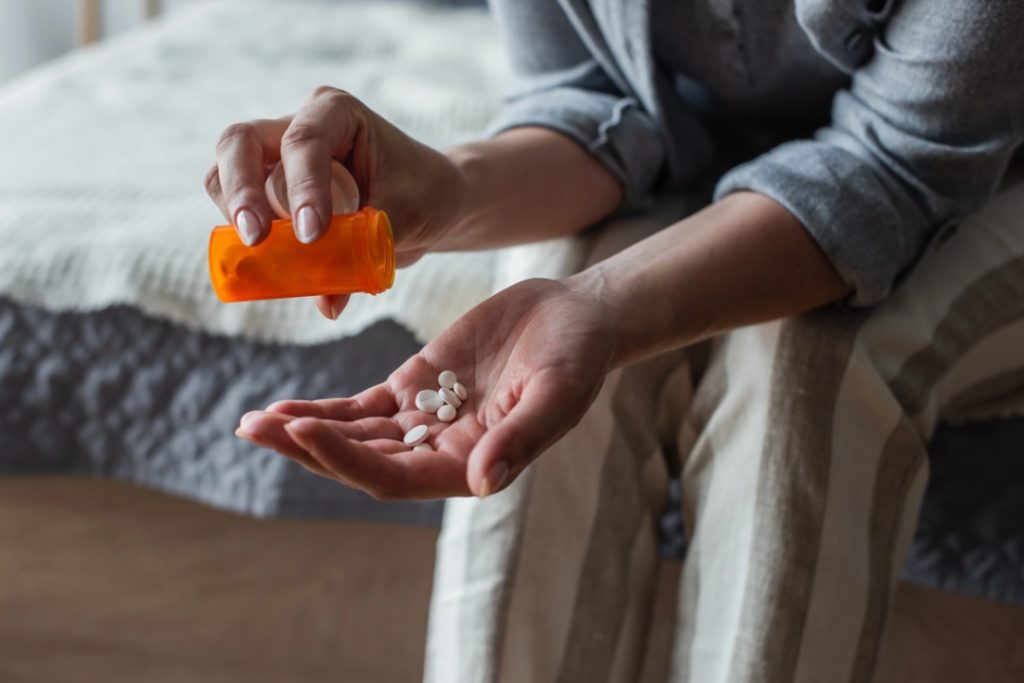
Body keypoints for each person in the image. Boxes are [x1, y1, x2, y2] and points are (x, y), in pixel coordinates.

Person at [207, 1, 1024, 680]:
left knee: (805, 358)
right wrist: (447, 189)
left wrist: (604, 303)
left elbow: (899, 164)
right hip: (716, 167)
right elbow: (594, 98)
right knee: (531, 367)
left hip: (979, 160)